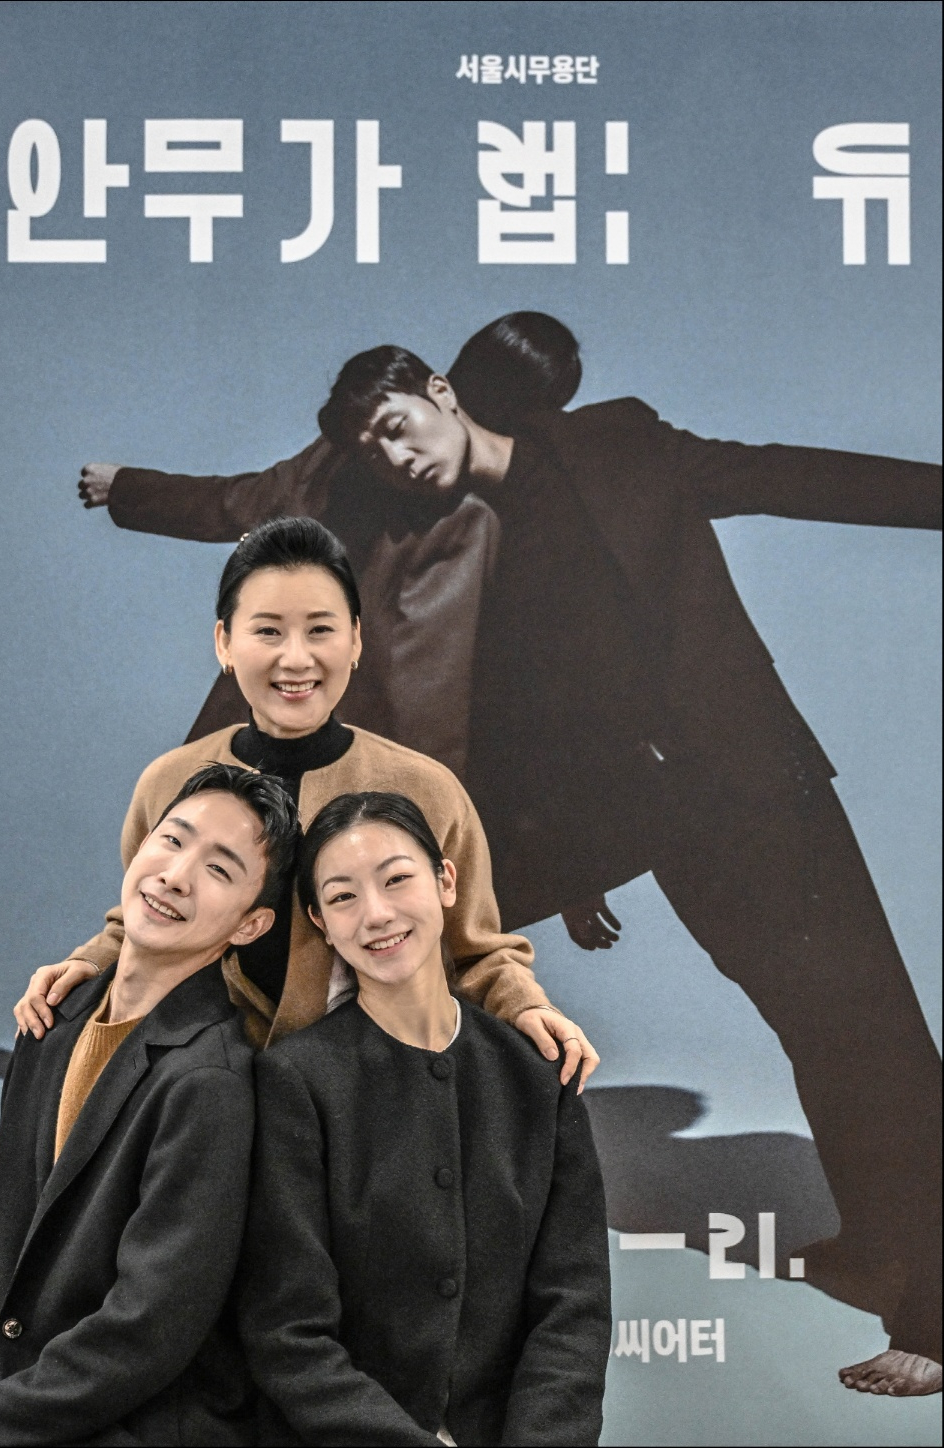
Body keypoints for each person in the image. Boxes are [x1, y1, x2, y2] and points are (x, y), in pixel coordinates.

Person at [311, 342, 943, 1397]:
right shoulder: (459, 539)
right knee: (804, 1016)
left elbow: (793, 474)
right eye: (367, 450)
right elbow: (533, 710)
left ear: (439, 393)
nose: (391, 456)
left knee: (867, 1026)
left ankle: (934, 1307)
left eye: (392, 425)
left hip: (756, 785)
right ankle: (882, 1235)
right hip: (655, 820)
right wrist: (578, 861)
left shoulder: (616, 445)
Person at [73, 312, 606, 947]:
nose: (399, 459)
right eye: (381, 441)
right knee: (207, 914)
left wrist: (566, 865)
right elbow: (242, 500)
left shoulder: (519, 514)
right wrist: (129, 489)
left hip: (412, 781)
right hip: (295, 738)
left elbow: (528, 700)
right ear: (444, 389)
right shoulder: (354, 456)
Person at [13, 516, 597, 1084]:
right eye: (268, 631)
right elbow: (145, 918)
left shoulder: (426, 788)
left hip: (361, 1095)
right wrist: (86, 965)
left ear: (356, 641)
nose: (296, 659)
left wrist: (525, 1007)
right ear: (225, 642)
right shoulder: (172, 781)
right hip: (196, 1088)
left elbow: (476, 951)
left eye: (320, 629)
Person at [238, 790, 612, 1447]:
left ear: (444, 880)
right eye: (343, 896)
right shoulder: (294, 1082)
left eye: (396, 879)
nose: (375, 914)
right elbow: (287, 1331)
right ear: (320, 921)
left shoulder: (534, 1075)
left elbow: (571, 1309)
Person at [0, 763, 299, 1446]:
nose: (176, 876)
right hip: (16, 1399)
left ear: (251, 923)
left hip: (128, 1424)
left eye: (219, 870)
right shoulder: (52, 1021)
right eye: (172, 840)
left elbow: (146, 1326)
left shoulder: (210, 1081)